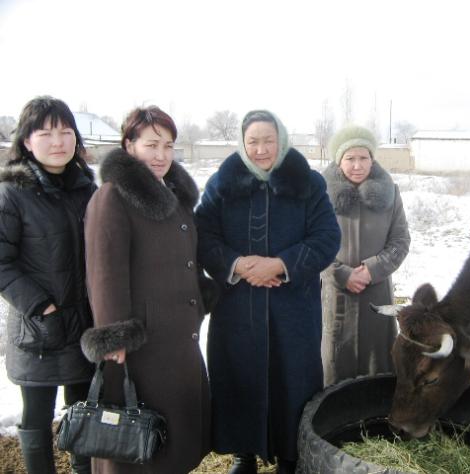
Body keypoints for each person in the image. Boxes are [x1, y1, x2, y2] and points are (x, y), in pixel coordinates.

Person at [195, 110, 340, 474]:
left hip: (293, 308)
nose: (261, 149)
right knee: (239, 376)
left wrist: (279, 264)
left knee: (293, 380)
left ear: (282, 140)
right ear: (242, 144)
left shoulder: (308, 183)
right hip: (237, 306)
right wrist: (238, 264)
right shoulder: (221, 183)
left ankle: (290, 455)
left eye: (268, 140)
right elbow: (203, 234)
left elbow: (327, 238)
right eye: (253, 142)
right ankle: (244, 453)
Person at [79, 106, 212, 474]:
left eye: (168, 146)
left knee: (174, 439)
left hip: (177, 338)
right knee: (138, 444)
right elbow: (104, 271)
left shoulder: (173, 195)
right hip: (141, 345)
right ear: (129, 145)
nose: (161, 155)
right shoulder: (113, 196)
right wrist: (115, 334)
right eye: (151, 145)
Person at [0, 96, 96, 474]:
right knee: (37, 418)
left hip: (85, 326)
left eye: (66, 132)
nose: (58, 141)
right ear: (27, 141)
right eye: (46, 133)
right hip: (39, 328)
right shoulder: (12, 193)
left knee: (84, 414)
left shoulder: (87, 188)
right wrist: (42, 307)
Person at [320, 125, 410, 386]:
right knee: (335, 368)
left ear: (372, 159)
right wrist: (341, 274)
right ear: (339, 160)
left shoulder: (391, 193)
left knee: (377, 370)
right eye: (350, 158)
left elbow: (400, 241)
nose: (357, 165)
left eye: (364, 157)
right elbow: (311, 244)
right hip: (336, 296)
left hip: (377, 294)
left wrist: (373, 270)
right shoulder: (320, 196)